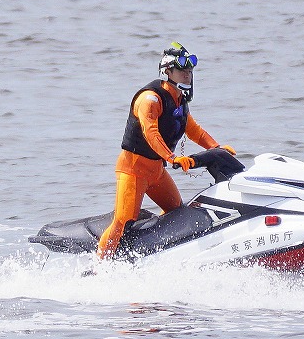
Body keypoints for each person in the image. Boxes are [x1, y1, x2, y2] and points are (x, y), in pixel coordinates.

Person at [96, 42, 234, 260]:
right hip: (133, 170)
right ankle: (98, 267)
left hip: (156, 171)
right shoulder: (149, 99)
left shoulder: (179, 100)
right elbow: (150, 132)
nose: (187, 74)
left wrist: (216, 148)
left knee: (176, 211)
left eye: (190, 70)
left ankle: (153, 252)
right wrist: (173, 157)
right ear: (167, 71)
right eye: (182, 70)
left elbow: (194, 131)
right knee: (122, 221)